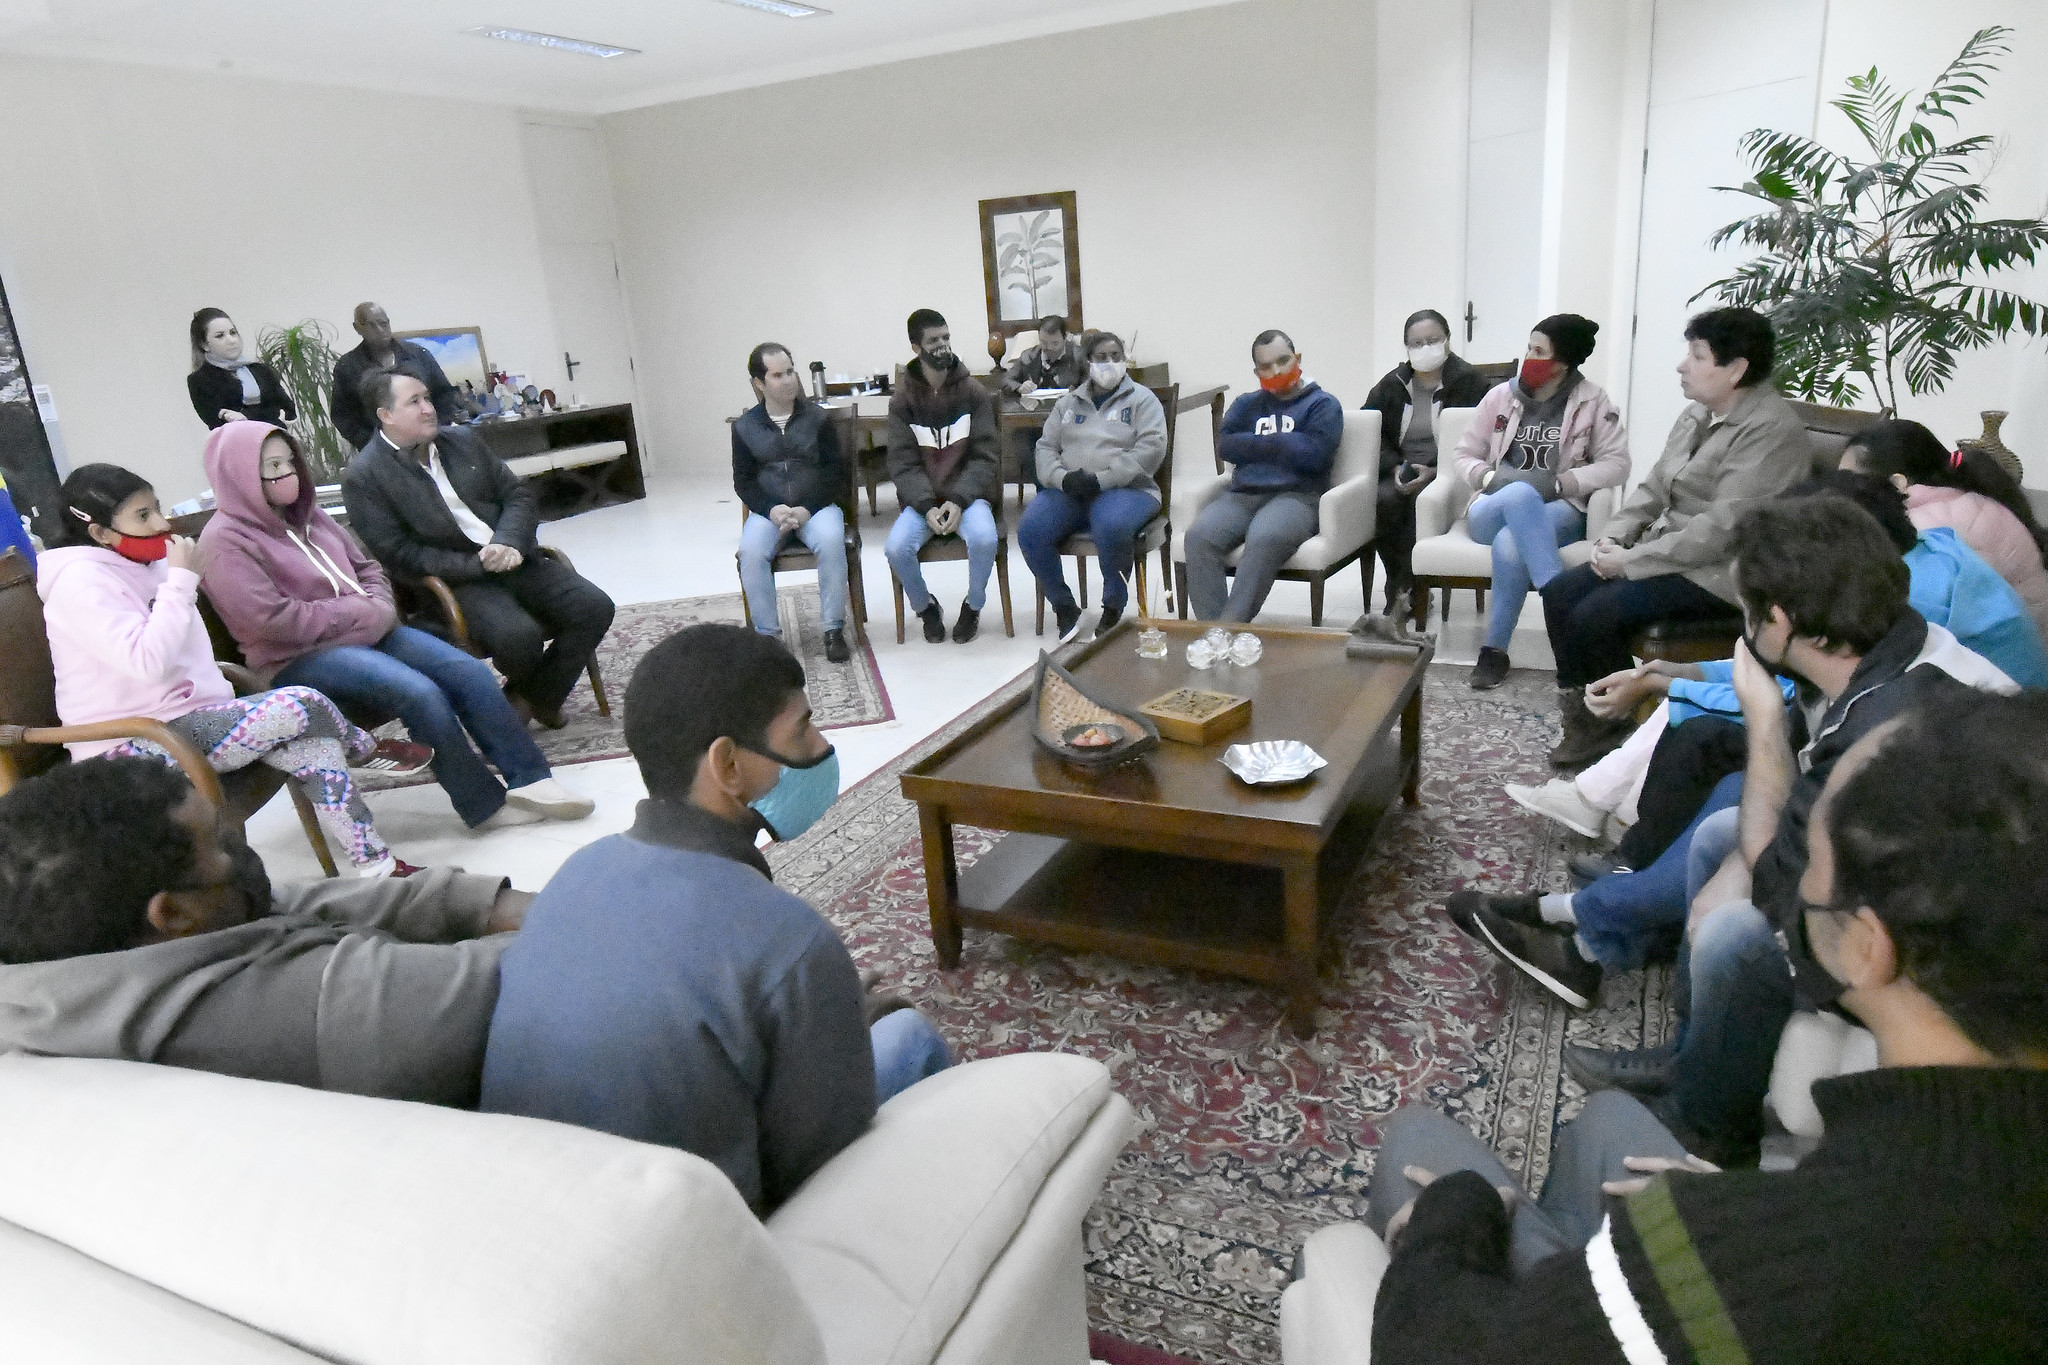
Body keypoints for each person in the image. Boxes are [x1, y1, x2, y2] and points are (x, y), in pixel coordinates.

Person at [1364, 690, 2048, 1362]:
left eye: (1807, 870)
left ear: (1870, 949)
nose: (1789, 892)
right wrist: (1746, 1199)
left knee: (1415, 1141)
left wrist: (1453, 1216)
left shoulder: (1764, 1254)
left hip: (1578, 1320)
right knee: (1608, 1119)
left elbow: (1441, 1346)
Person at [1484, 498, 2014, 1161]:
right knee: (1717, 835)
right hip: (1905, 886)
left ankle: (1709, 1128)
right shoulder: (1880, 651)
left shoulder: (1889, 728)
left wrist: (1762, 717)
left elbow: (1777, 877)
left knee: (1733, 931)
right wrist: (1679, 682)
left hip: (1949, 959)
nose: (1741, 627)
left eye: (1746, 612)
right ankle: (1688, 1056)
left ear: (1781, 622)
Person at [480, 625, 952, 1214]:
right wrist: (833, 1017)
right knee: (909, 1037)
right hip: (702, 1245)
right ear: (727, 764)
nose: (821, 745)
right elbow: (819, 1173)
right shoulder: (792, 941)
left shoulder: (574, 874)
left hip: (539, 1223)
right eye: (802, 728)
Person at [1506, 468, 2048, 847]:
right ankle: (1611, 818)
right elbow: (1782, 674)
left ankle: (1611, 818)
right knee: (1700, 725)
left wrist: (1671, 685)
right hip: (1963, 739)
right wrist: (1677, 674)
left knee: (1711, 751)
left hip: (1978, 776)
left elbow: (1790, 692)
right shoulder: (1904, 568)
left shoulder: (1903, 601)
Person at [0, 757, 530, 1107]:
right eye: (219, 841)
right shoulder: (306, 1005)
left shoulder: (73, 957)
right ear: (173, 913)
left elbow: (291, 901)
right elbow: (548, 968)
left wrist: (477, 902)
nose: (239, 838)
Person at [200, 421, 592, 832]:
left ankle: (532, 780)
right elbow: (271, 620)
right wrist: (362, 614)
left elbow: (368, 568)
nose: (287, 474)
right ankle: (483, 806)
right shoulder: (225, 543)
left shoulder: (310, 516)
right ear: (239, 475)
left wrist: (379, 606)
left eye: (290, 462)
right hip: (296, 658)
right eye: (272, 466)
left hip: (366, 634)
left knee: (468, 671)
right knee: (419, 692)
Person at [39, 463, 413, 879]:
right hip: (127, 745)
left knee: (317, 744)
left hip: (187, 722)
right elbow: (147, 663)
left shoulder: (152, 565)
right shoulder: (79, 583)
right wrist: (180, 583)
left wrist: (177, 582)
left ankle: (377, 865)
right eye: (143, 516)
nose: (162, 523)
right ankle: (365, 748)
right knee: (302, 704)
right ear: (100, 532)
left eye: (157, 508)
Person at [1540, 307, 1811, 768]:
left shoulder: (1770, 431)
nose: (1682, 366)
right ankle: (1591, 716)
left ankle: (1611, 722)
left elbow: (1722, 528)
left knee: (1595, 614)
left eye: (1697, 356)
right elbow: (1653, 488)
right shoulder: (1698, 414)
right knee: (1559, 592)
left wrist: (1631, 561)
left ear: (1736, 369)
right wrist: (1612, 538)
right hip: (1669, 554)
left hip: (1722, 573)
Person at [343, 370, 616, 728]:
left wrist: (509, 541)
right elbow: (398, 553)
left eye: (427, 398)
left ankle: (530, 699)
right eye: (414, 402)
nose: (428, 409)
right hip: (457, 582)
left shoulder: (463, 441)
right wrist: (477, 564)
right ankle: (537, 700)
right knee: (518, 638)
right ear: (386, 415)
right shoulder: (365, 476)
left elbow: (517, 495)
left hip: (514, 557)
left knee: (594, 607)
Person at [1450, 314, 1630, 690]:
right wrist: (1489, 478)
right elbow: (1464, 454)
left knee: (1511, 544)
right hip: (1492, 505)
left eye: (1539, 351)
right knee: (1519, 492)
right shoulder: (1500, 397)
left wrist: (1564, 483)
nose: (1528, 357)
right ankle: (1559, 604)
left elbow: (1617, 464)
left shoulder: (1593, 401)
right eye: (1529, 347)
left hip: (1559, 507)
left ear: (1562, 363)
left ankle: (1494, 651)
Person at [1184, 329, 1344, 622]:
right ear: (1256, 371)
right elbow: (1226, 447)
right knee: (1198, 537)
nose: (1277, 371)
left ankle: (1226, 630)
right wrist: (1286, 442)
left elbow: (1315, 455)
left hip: (1297, 497)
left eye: (1283, 361)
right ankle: (1213, 632)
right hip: (1242, 494)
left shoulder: (1323, 404)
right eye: (1266, 366)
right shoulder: (1246, 404)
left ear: (1297, 358)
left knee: (1264, 537)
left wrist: (1256, 444)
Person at [1840, 416, 2048, 639]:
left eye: (1849, 482)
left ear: (1897, 483)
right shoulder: (1967, 499)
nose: (1840, 492)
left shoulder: (1923, 529)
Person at [1021, 331, 1167, 642]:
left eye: (1116, 356)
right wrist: (1062, 478)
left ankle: (1112, 606)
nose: (1109, 363)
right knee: (1031, 529)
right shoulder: (1067, 403)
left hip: (1130, 490)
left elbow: (1151, 449)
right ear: (1088, 362)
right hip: (1071, 489)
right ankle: (1065, 607)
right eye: (1101, 357)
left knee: (1111, 524)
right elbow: (1045, 448)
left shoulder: (1143, 400)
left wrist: (1102, 480)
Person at [1360, 309, 1491, 618]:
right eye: (1416, 343)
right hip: (1401, 468)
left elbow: (1481, 436)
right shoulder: (1392, 385)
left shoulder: (1470, 383)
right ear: (1406, 347)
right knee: (1381, 500)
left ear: (1447, 340)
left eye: (1433, 340)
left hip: (1450, 472)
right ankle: (1399, 584)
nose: (1425, 348)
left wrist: (1434, 470)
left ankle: (1410, 591)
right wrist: (1394, 466)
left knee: (1419, 503)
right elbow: (1370, 431)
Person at [884, 309, 1001, 644]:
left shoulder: (973, 392)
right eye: (933, 340)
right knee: (896, 549)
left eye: (946, 337)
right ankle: (926, 609)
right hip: (923, 503)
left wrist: (959, 499)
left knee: (985, 538)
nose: (942, 345)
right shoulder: (902, 401)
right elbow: (902, 463)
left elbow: (985, 456)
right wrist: (926, 506)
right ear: (915, 347)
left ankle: (973, 606)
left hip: (968, 498)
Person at [732, 342, 852, 664]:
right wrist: (770, 509)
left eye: (790, 372)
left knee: (831, 540)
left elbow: (834, 473)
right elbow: (743, 481)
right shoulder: (744, 427)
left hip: (816, 507)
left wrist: (806, 508)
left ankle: (833, 629)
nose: (788, 381)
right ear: (759, 383)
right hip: (769, 512)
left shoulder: (818, 419)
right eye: (777, 375)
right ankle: (767, 639)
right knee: (751, 552)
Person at [328, 302, 461, 451]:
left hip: (430, 445)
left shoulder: (418, 355)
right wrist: (371, 444)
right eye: (371, 325)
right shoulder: (347, 367)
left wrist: (436, 431)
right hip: (382, 452)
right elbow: (343, 416)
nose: (380, 330)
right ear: (357, 328)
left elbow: (444, 395)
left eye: (383, 323)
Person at [999, 315, 1090, 495]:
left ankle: (1068, 486)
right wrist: (1019, 387)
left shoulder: (1079, 355)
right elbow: (1006, 380)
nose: (1049, 349)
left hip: (1070, 420)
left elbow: (1091, 384)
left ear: (1065, 338)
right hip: (1035, 421)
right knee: (1022, 442)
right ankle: (1045, 490)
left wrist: (1076, 392)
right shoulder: (1028, 356)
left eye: (1055, 343)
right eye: (1044, 343)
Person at [185, 308, 296, 430]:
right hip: (236, 440)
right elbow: (217, 421)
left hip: (273, 438)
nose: (231, 340)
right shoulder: (200, 379)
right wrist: (271, 417)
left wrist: (246, 417)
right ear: (204, 345)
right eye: (220, 336)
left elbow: (289, 410)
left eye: (233, 332)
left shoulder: (261, 370)